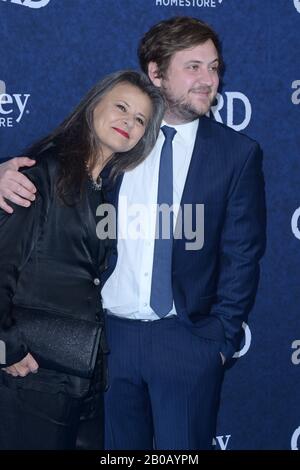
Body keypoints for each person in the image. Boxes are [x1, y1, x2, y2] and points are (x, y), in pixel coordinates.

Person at [0, 16, 266, 450]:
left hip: (186, 342)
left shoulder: (237, 154)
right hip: (104, 343)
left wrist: (218, 341)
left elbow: (242, 255)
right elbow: (44, 178)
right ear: (155, 72)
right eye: (193, 67)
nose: (208, 79)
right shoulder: (113, 148)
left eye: (215, 67)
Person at [0, 70, 164, 450]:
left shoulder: (100, 190)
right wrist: (6, 348)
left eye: (140, 119)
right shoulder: (42, 173)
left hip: (82, 378)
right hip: (32, 377)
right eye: (121, 107)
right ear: (93, 106)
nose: (129, 122)